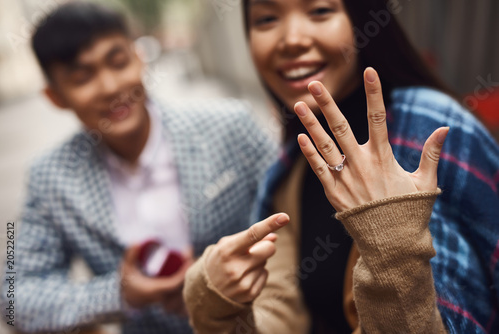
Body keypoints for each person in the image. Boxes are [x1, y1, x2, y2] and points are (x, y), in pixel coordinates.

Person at [184, 0, 499, 333]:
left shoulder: (435, 129)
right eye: (266, 19)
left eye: (320, 11)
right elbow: (281, 315)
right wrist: (214, 305)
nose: (291, 38)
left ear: (362, 18)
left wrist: (392, 245)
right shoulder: (287, 171)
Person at [0, 2, 277, 333]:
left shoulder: (230, 127)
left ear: (139, 57)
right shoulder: (49, 179)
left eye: (118, 63)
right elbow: (14, 299)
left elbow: (297, 224)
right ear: (55, 96)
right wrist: (119, 294)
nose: (110, 87)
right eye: (82, 77)